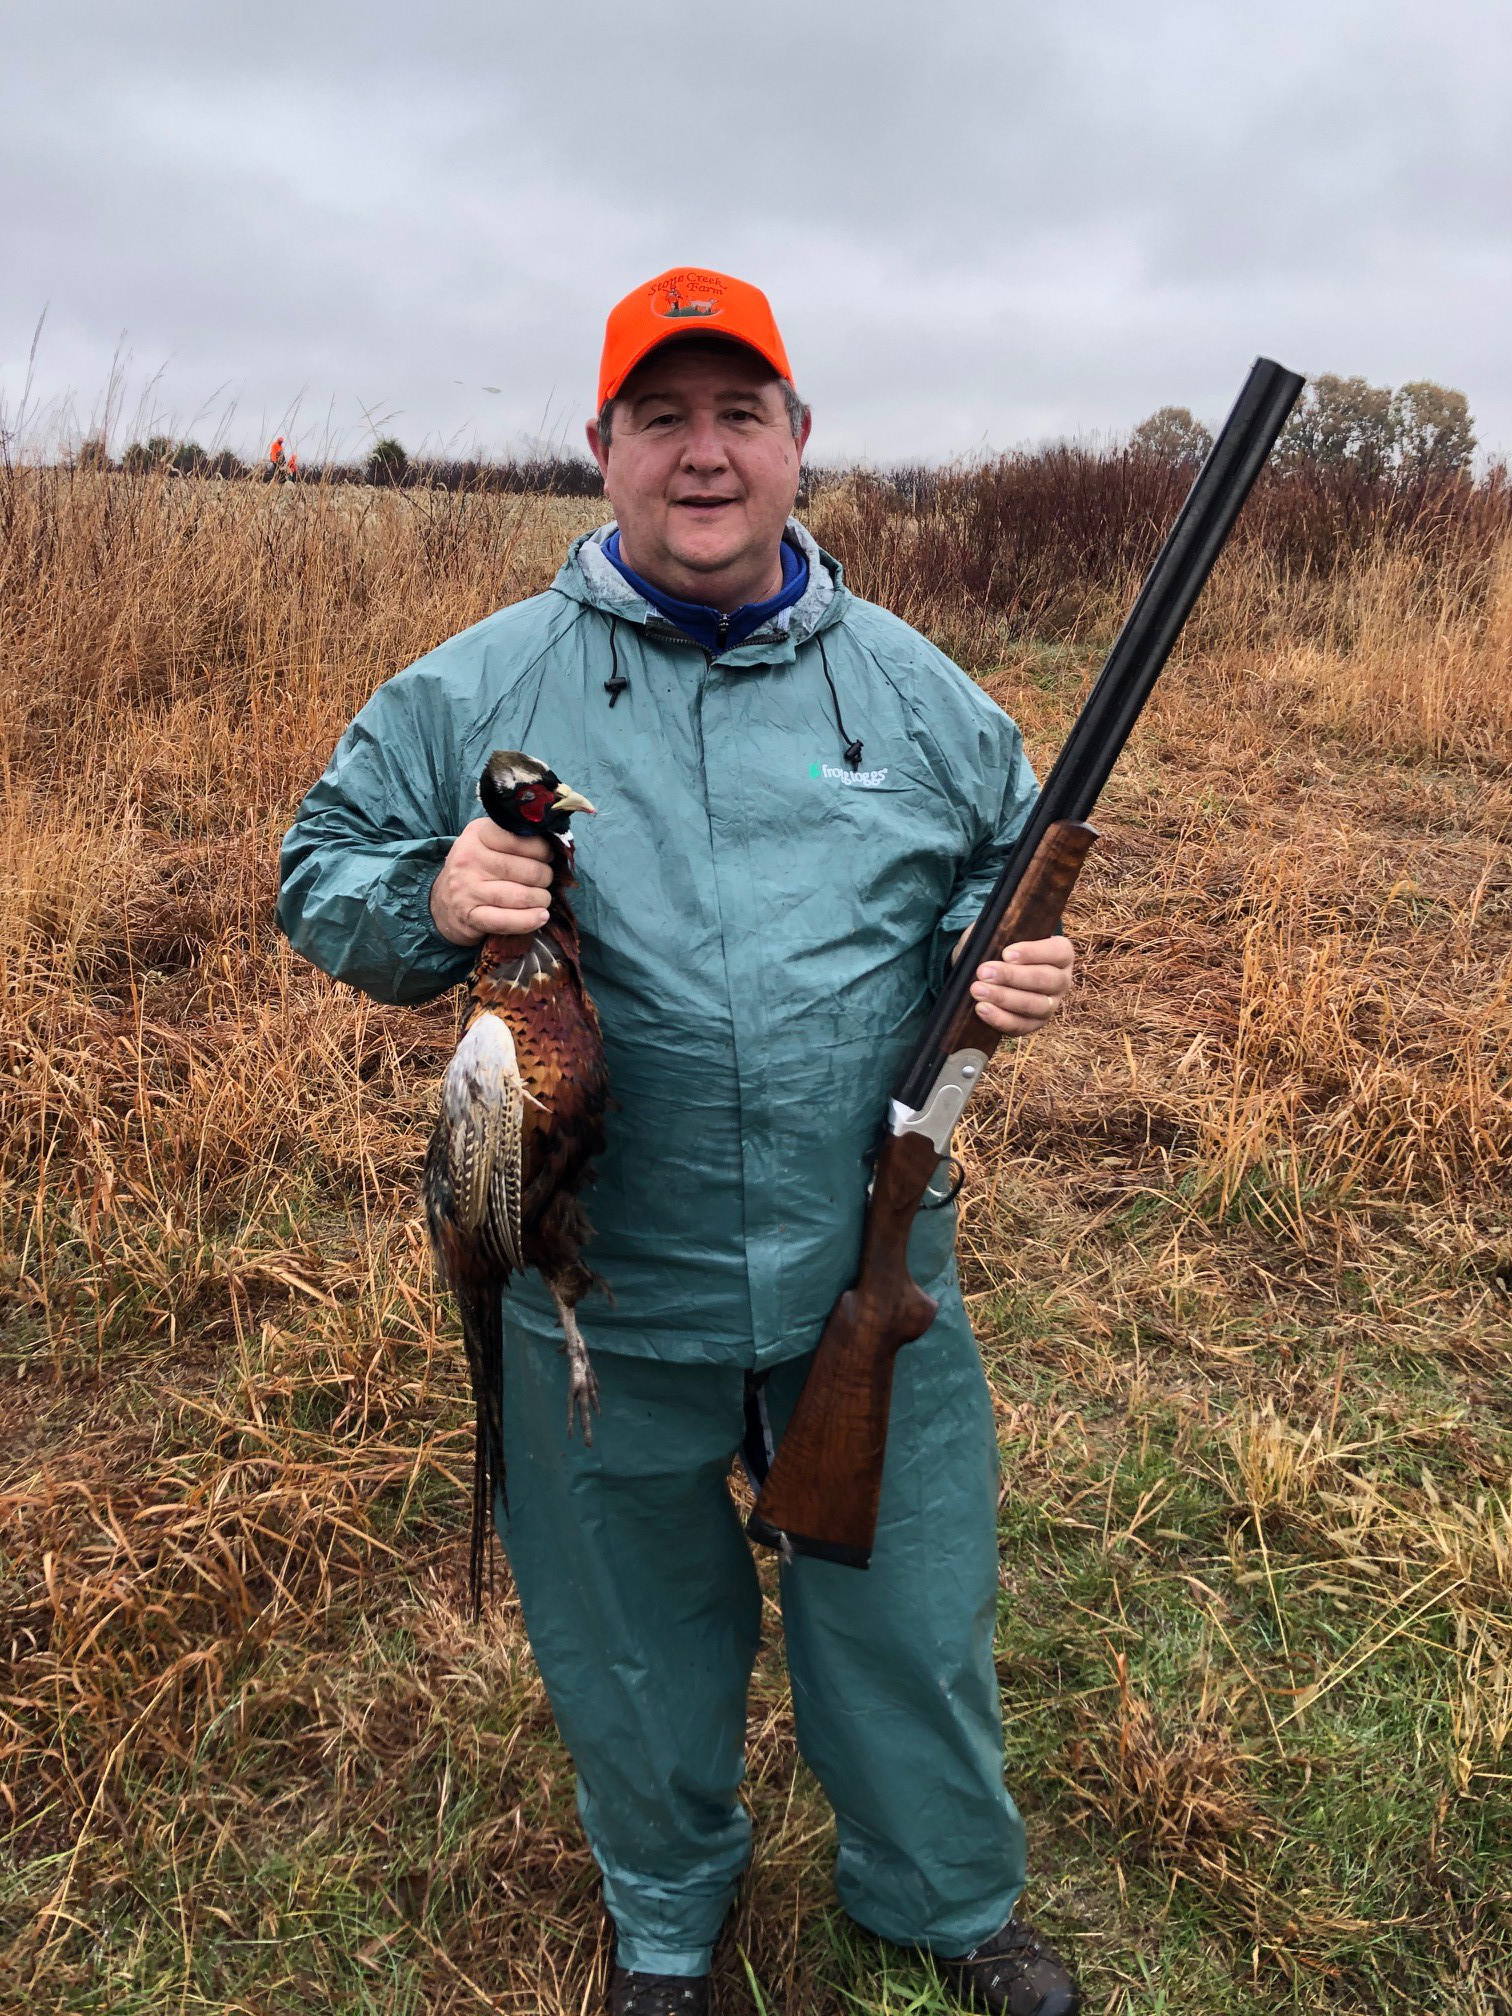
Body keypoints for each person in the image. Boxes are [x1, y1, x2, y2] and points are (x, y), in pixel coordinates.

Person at [278, 268, 1080, 2016]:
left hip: (859, 1260)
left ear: (801, 443)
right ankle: (667, 1925)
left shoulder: (918, 695)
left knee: (905, 1611)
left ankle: (942, 1901)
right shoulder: (478, 686)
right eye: (664, 418)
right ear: (603, 449)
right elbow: (315, 870)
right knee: (632, 1634)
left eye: (739, 416)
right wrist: (425, 895)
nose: (702, 456)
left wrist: (1006, 963)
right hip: (592, 1282)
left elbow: (1003, 868)